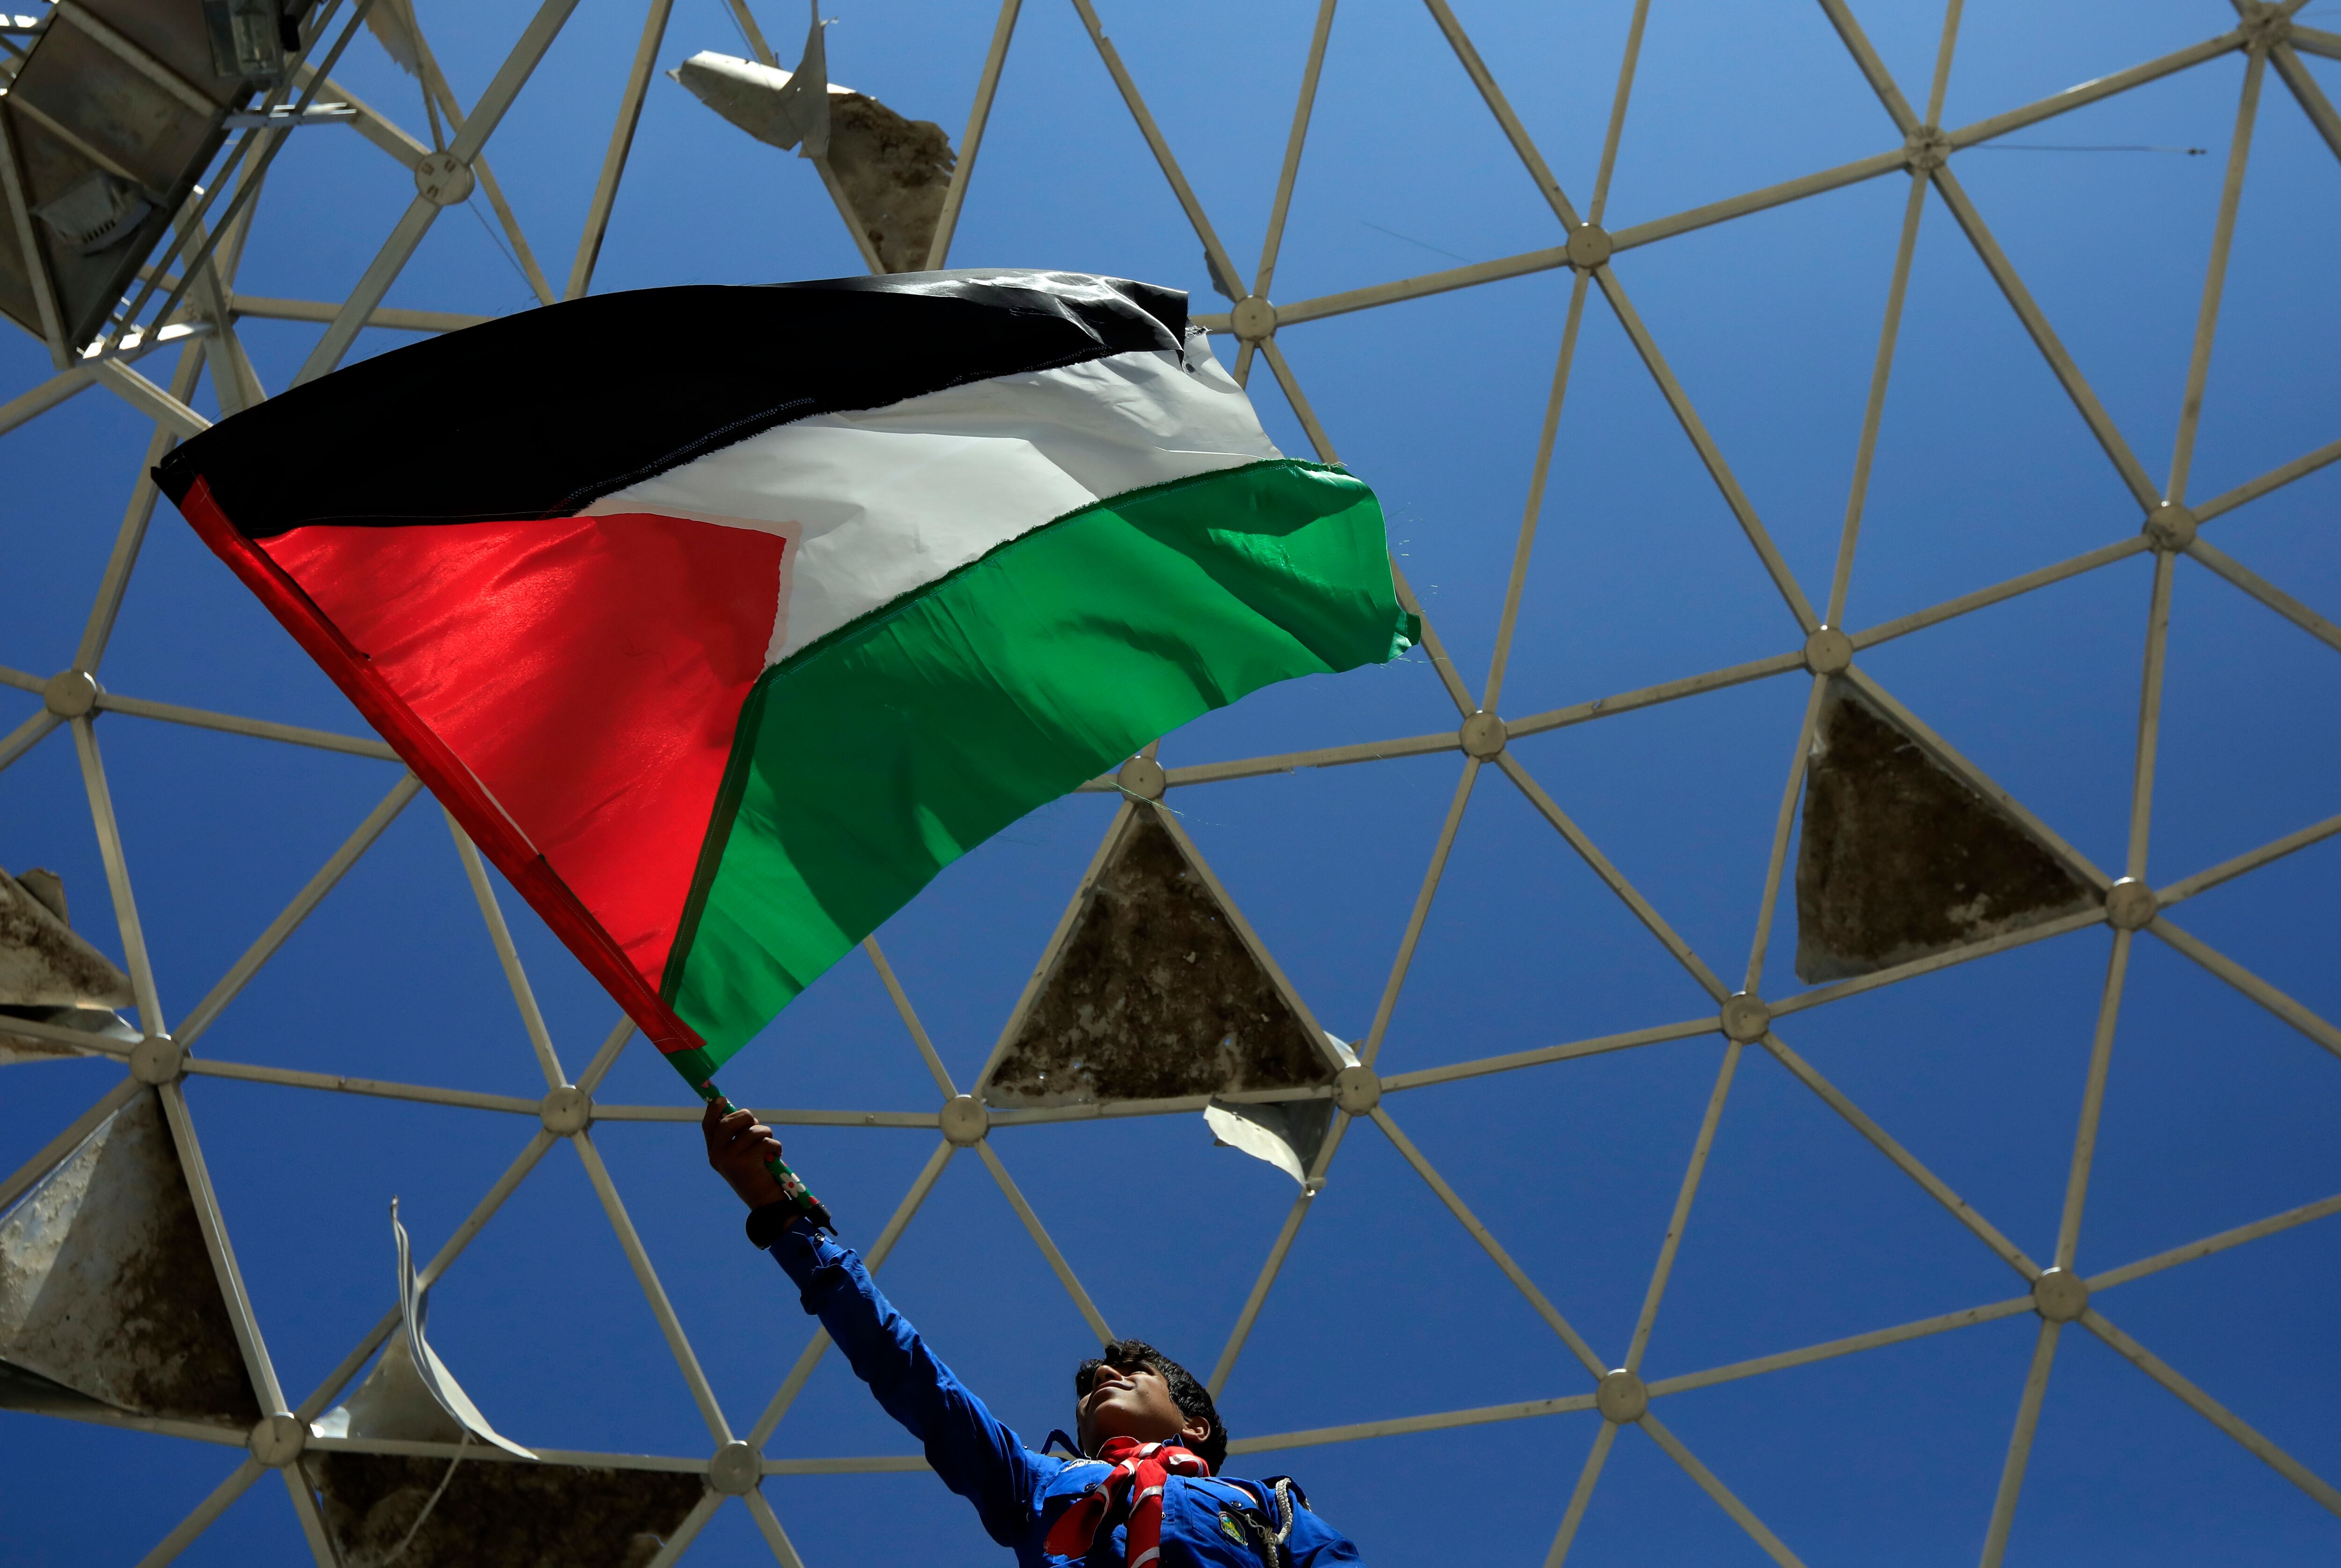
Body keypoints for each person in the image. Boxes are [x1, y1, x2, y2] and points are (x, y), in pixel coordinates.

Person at [704, 1102, 1366, 1566]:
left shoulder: (1266, 1506)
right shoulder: (1033, 1483)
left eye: (1131, 1372)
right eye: (1087, 1389)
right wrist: (780, 1216)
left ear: (1196, 1425)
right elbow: (909, 1371)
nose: (1101, 1377)